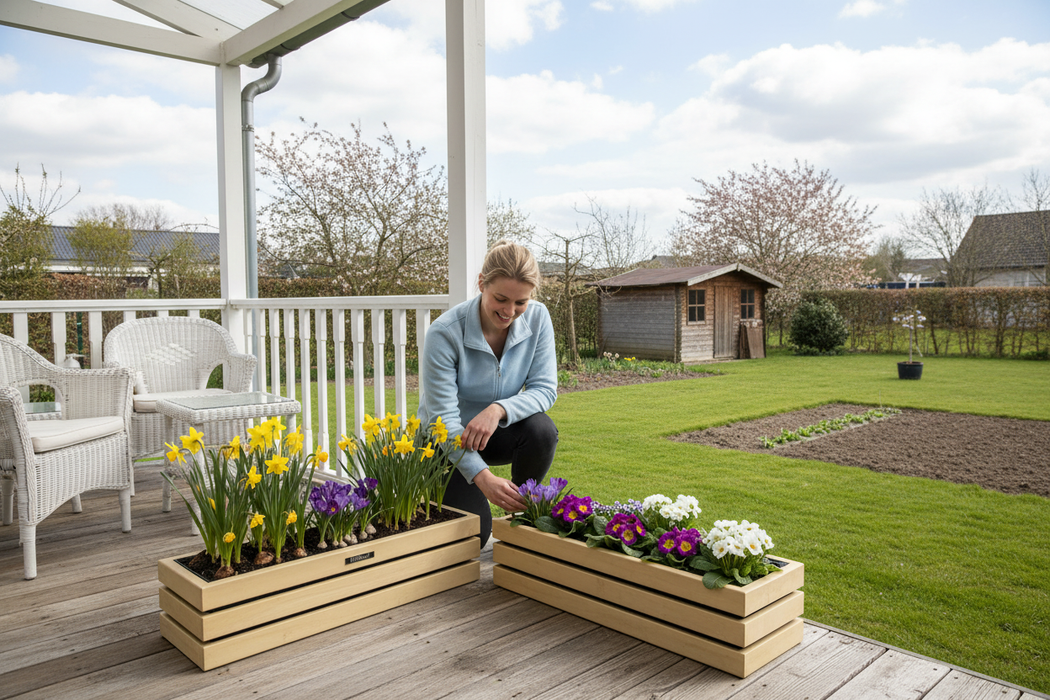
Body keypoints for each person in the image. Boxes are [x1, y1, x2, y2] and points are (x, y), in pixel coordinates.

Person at [418, 240, 559, 547]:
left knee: (541, 430)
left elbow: (545, 389)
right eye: (501, 299)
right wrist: (482, 478)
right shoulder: (445, 334)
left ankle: (522, 516)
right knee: (475, 538)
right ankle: (435, 497)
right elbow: (441, 419)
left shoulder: (538, 318)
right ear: (482, 283)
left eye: (520, 302)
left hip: (495, 433)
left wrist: (497, 410)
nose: (510, 312)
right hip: (445, 444)